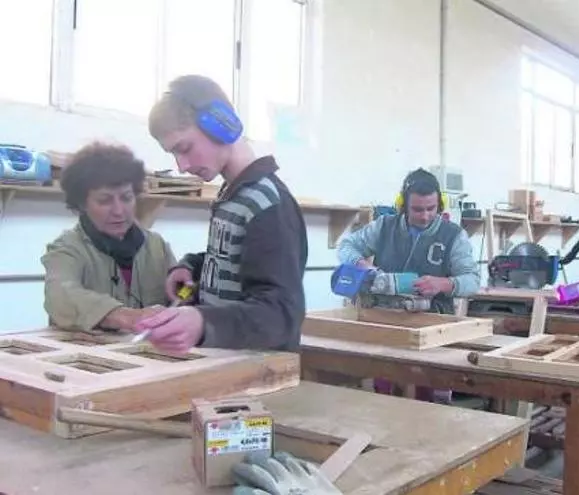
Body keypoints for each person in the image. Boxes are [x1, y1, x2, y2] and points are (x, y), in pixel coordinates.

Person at [134, 74, 308, 354]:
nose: (181, 166)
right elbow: (235, 261)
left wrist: (203, 322)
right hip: (226, 361)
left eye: (184, 148)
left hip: (262, 369)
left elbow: (281, 314)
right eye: (173, 154)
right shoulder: (232, 196)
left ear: (221, 125)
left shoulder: (266, 204)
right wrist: (190, 268)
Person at [337, 167, 480, 402]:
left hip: (433, 330)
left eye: (431, 208)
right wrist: (361, 265)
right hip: (387, 326)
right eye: (417, 209)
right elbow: (346, 246)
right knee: (386, 400)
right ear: (403, 205)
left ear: (440, 204)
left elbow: (472, 280)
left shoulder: (453, 236)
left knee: (430, 405)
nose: (425, 216)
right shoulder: (384, 226)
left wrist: (443, 284)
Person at [41, 142, 176, 333]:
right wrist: (123, 316)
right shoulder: (66, 248)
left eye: (126, 198)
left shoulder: (157, 246)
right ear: (82, 204)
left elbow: (181, 295)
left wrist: (189, 291)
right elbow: (60, 295)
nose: (119, 211)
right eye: (104, 200)